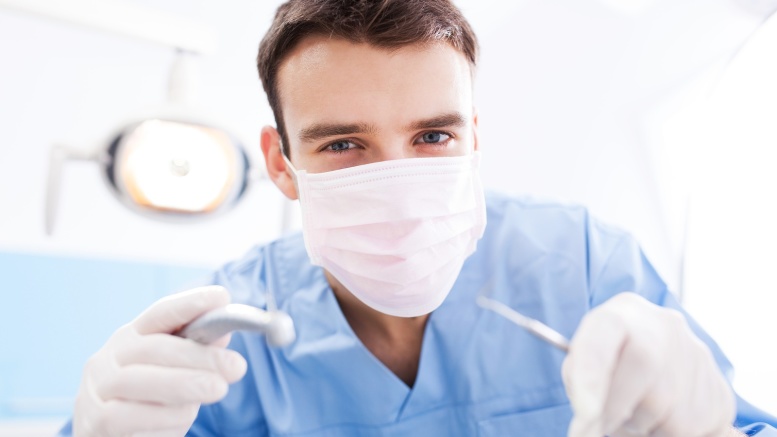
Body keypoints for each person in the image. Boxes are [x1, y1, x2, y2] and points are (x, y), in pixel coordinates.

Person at [58, 0, 777, 436]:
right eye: (343, 144)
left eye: (432, 136)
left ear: (473, 135)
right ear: (280, 163)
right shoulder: (231, 336)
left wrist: (712, 428)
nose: (398, 186)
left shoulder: (579, 262)